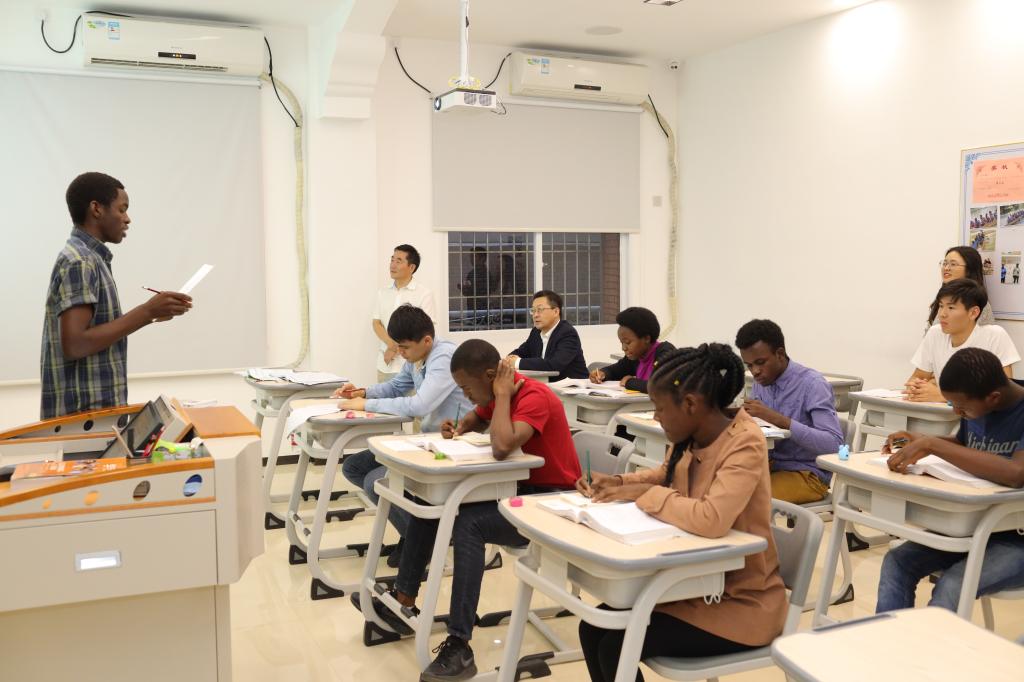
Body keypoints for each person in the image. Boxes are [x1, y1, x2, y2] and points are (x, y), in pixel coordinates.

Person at [352, 340, 580, 681]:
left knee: (469, 524)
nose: (466, 396)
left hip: (550, 502)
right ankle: (404, 600)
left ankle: (460, 644)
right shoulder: (495, 394)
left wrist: (501, 396)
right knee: (432, 503)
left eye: (468, 388)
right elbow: (477, 417)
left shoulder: (533, 396)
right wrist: (460, 427)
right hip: (517, 491)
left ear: (491, 376)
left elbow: (502, 446)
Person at [575, 344, 786, 682]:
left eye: (659, 408)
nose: (655, 417)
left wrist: (647, 495)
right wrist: (617, 483)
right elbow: (664, 474)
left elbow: (711, 518)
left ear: (690, 404)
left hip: (740, 603)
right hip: (690, 586)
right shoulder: (691, 433)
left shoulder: (745, 441)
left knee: (615, 646)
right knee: (592, 628)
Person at [876, 347, 1024, 614]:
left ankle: (934, 643)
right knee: (896, 562)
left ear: (993, 398)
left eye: (962, 408)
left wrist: (933, 445)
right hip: (971, 527)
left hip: (1017, 541)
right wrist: (921, 441)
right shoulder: (977, 399)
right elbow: (966, 446)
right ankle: (891, 640)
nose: (956, 412)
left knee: (953, 584)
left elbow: (1016, 473)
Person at [41, 172, 193, 419]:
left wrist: (153, 313)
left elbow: (94, 333)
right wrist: (147, 312)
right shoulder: (81, 261)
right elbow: (75, 345)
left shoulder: (90, 258)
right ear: (96, 209)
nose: (127, 218)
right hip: (84, 420)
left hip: (92, 416)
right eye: (122, 209)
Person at [335, 305, 471, 567]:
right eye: (398, 346)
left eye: (404, 347)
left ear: (427, 341)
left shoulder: (444, 358)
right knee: (354, 467)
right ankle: (416, 534)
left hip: (450, 445)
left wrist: (366, 405)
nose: (400, 352)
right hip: (427, 441)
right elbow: (397, 386)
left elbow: (419, 405)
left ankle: (422, 543)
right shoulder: (417, 357)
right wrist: (363, 392)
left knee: (376, 482)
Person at [735, 319, 844, 503]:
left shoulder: (813, 385)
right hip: (770, 466)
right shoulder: (762, 381)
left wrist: (778, 419)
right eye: (749, 365)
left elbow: (833, 445)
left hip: (806, 473)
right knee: (714, 486)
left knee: (744, 500)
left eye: (760, 362)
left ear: (780, 354)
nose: (755, 371)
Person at [906, 279, 1018, 402]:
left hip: (980, 414)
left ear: (973, 313)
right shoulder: (935, 333)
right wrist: (915, 388)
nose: (942, 314)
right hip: (941, 412)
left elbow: (1004, 393)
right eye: (941, 306)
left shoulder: (994, 335)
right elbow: (918, 377)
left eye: (951, 307)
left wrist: (944, 396)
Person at [373, 244, 436, 382]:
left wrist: (395, 347)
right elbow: (376, 323)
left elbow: (426, 330)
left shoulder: (424, 294)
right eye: (392, 260)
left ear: (411, 267)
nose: (392, 265)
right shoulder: (382, 292)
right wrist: (391, 345)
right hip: (386, 364)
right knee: (381, 395)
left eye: (398, 261)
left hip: (412, 367)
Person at [506, 290, 588, 382]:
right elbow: (522, 351)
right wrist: (509, 359)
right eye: (533, 310)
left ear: (556, 311)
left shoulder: (568, 334)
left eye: (540, 310)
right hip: (547, 384)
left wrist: (517, 362)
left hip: (574, 388)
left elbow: (554, 365)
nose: (535, 315)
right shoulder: (536, 332)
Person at [590, 307, 675, 393]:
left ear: (646, 338)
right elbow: (614, 371)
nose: (623, 348)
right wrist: (602, 374)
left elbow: (662, 386)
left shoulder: (666, 353)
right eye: (622, 343)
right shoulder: (636, 357)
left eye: (628, 342)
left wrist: (629, 382)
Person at [931, 246, 994, 326]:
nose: (946, 268)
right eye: (945, 263)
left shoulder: (979, 303)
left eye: (953, 264)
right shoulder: (943, 298)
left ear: (969, 269)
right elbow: (930, 331)